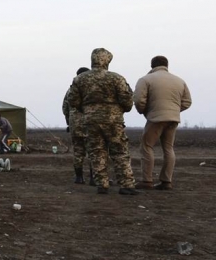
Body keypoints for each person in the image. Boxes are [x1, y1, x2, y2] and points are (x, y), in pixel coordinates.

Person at [66, 48, 138, 195]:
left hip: (91, 121)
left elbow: (72, 101)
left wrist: (87, 109)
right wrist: (118, 109)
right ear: (107, 60)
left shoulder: (80, 79)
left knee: (97, 152)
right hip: (113, 121)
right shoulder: (116, 78)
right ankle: (126, 184)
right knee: (119, 151)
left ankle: (102, 184)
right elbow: (127, 101)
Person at [133, 56, 192, 190]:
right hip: (173, 119)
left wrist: (145, 111)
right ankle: (166, 181)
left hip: (155, 118)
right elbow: (187, 102)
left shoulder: (145, 80)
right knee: (168, 148)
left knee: (147, 146)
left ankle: (147, 180)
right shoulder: (179, 81)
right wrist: (174, 111)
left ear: (152, 65)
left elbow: (138, 100)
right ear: (167, 65)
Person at [62, 67, 91, 184]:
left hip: (75, 124)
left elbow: (65, 108)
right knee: (93, 151)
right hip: (90, 124)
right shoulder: (92, 88)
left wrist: (69, 123)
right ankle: (94, 178)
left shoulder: (71, 90)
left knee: (78, 151)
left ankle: (79, 177)